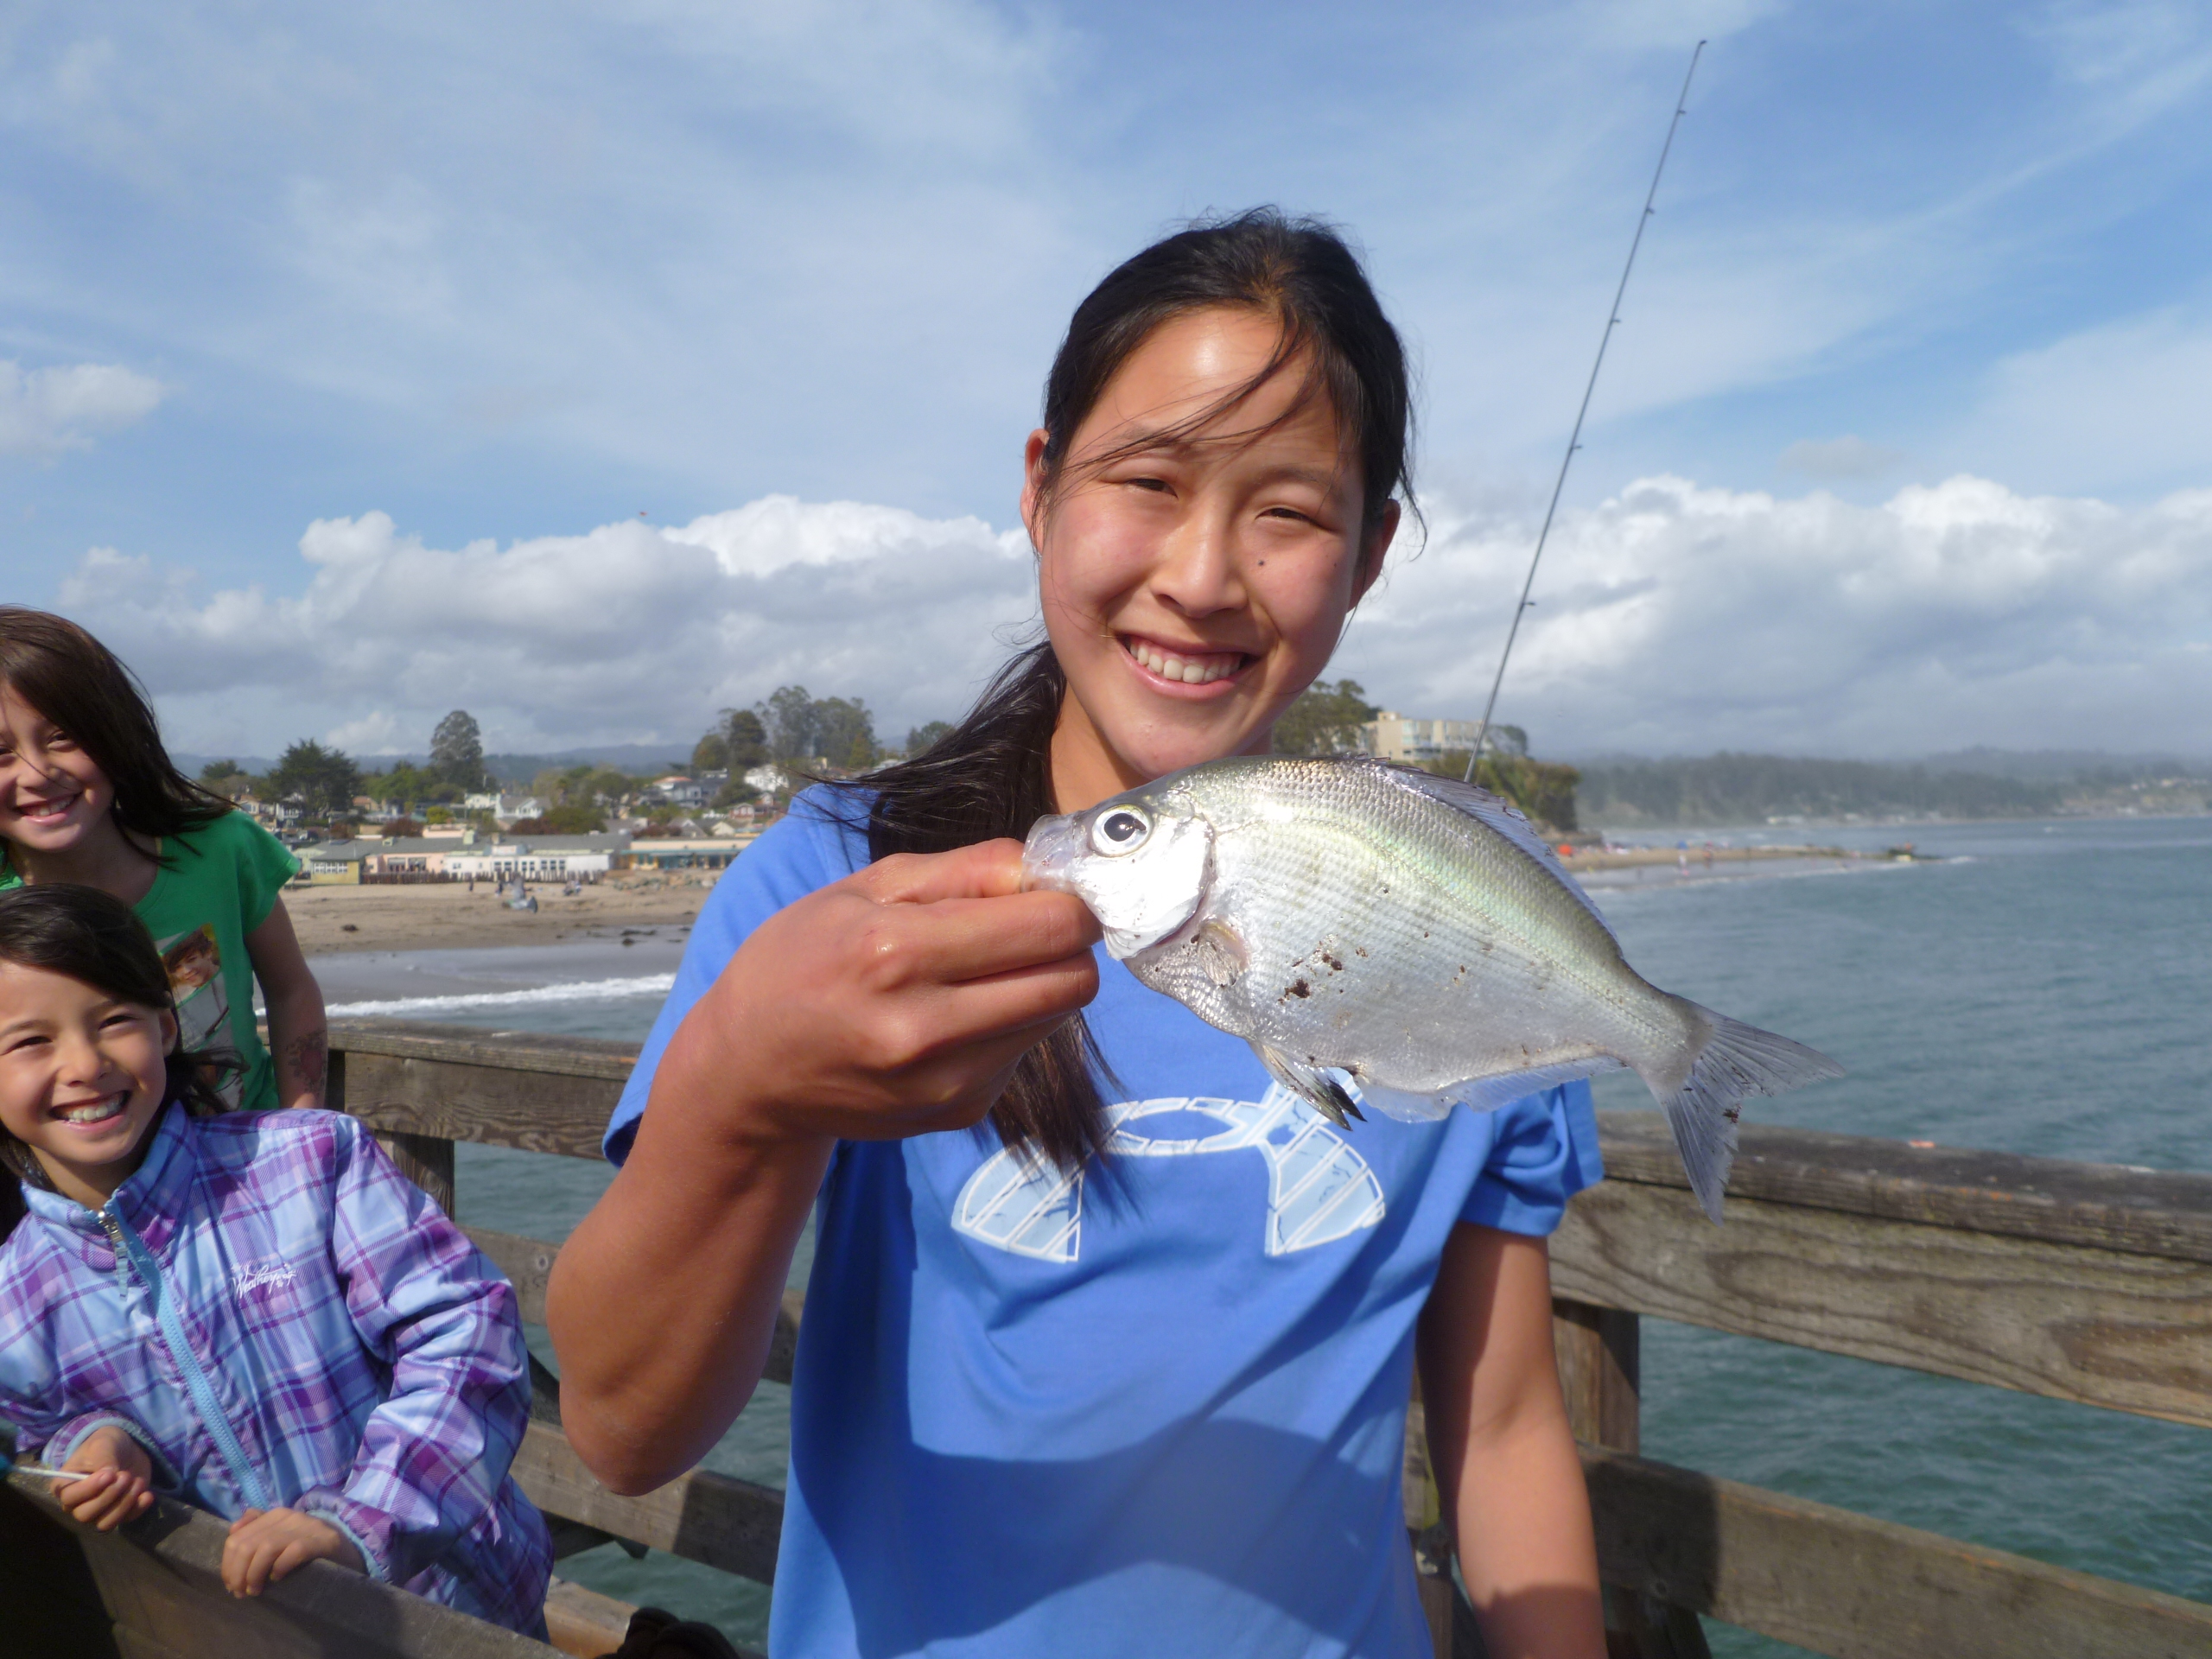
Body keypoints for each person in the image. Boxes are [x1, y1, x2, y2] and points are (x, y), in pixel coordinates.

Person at [548, 210, 1608, 1659]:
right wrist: (739, 1083)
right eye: (1149, 481)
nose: (1202, 575)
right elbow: (621, 1431)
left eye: (1291, 513)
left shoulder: (1468, 922)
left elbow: (1501, 1428)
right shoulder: (845, 887)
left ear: (1368, 558)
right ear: (1042, 491)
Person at [0, 883, 551, 1631]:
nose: (85, 1063)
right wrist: (88, 1444)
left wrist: (363, 1522)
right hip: (244, 1636)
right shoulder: (14, 1296)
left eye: (115, 1021)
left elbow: (467, 1334)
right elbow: (27, 1432)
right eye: (31, 1041)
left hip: (453, 1614)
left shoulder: (311, 1161)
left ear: (166, 1027)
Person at [0, 609, 327, 1112]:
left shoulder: (218, 845)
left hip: (245, 1157)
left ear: (115, 731)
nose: (37, 773)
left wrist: (305, 1130)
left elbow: (291, 990)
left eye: (63, 736)